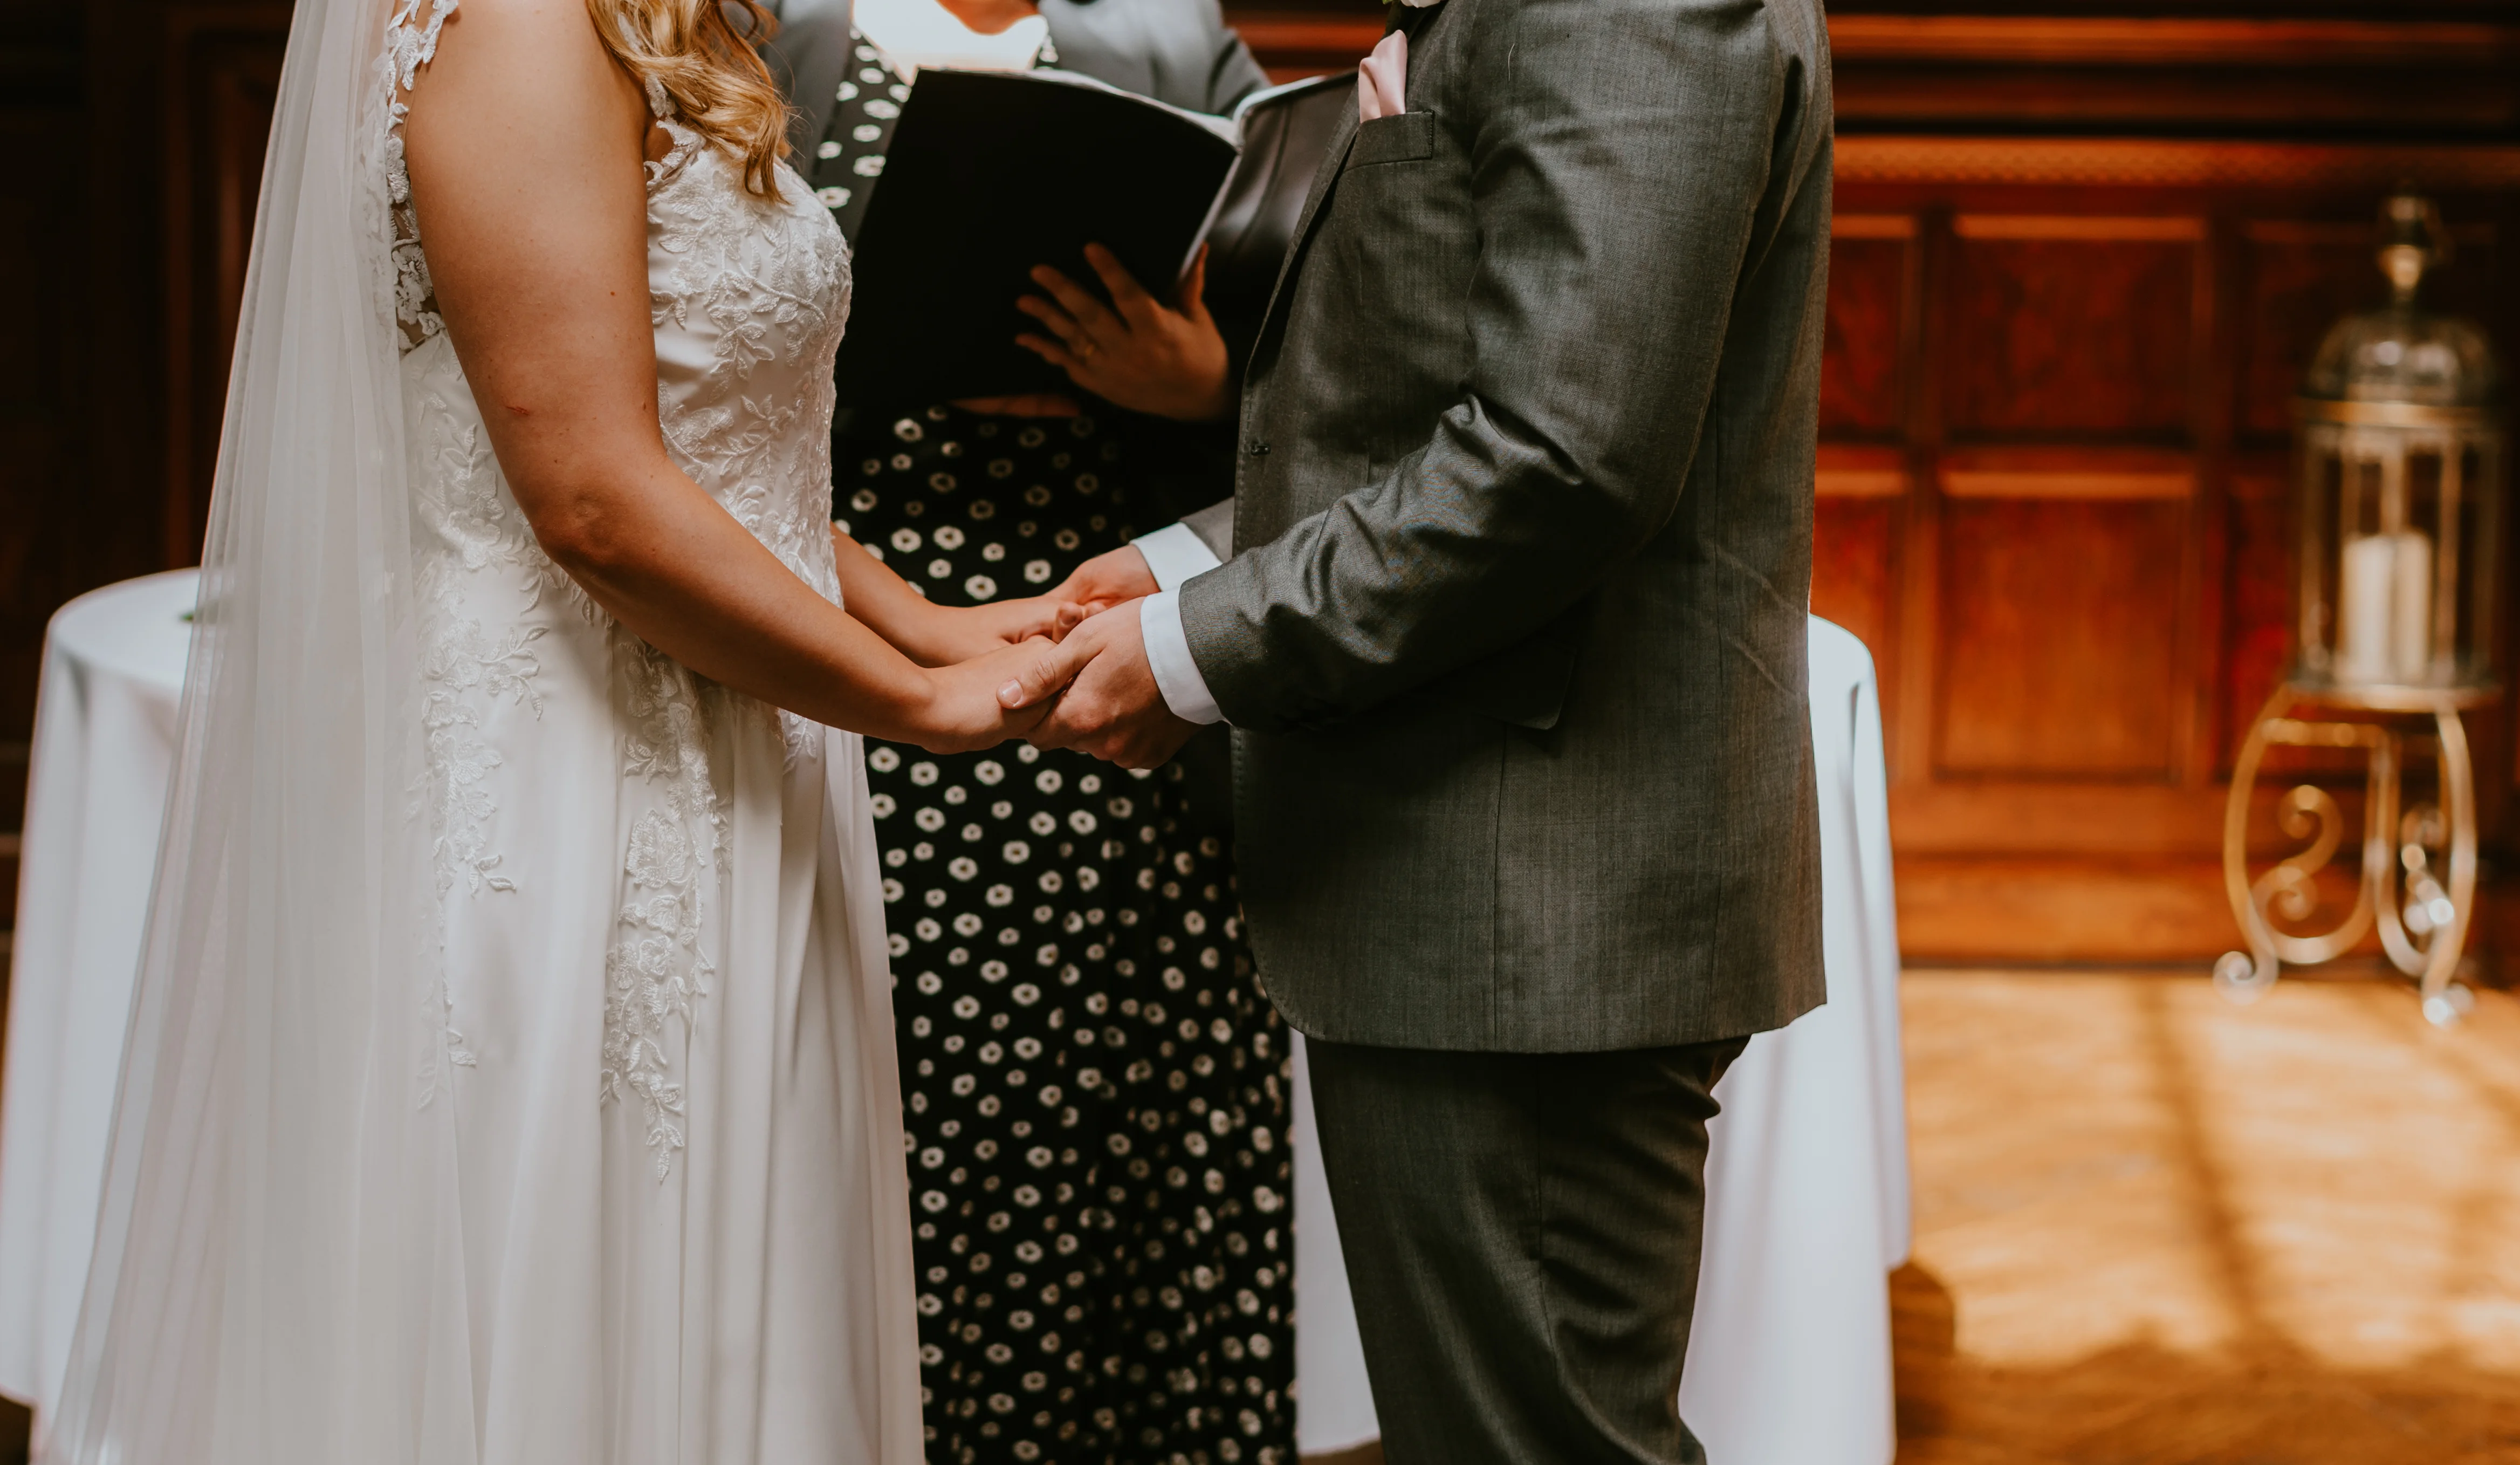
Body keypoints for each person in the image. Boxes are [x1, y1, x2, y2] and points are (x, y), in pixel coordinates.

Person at [44, 0, 1089, 1460]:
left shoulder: (656, 23)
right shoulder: (520, 27)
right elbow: (593, 496)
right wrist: (912, 701)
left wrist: (924, 619)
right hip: (580, 794)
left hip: (721, 742)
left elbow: (710, 433)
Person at [1023, 3, 1837, 1462]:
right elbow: (1434, 398)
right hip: (1482, 874)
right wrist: (1198, 562)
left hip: (1531, 889)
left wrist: (1196, 649)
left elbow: (1563, 454)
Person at [769, 5, 1304, 1461]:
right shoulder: (775, 24)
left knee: (1141, 1156)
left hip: (1116, 627)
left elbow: (1330, 327)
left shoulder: (1169, 29)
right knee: (921, 1154)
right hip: (855, 621)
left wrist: (1196, 386)